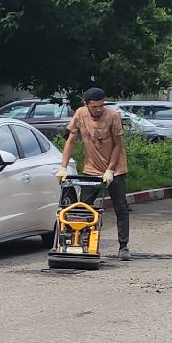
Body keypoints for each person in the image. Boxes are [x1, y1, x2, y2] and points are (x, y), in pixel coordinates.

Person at [59, 87, 132, 261]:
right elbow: (70, 141)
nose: (99, 109)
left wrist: (110, 170)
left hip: (115, 170)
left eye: (101, 105)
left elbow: (118, 145)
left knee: (120, 207)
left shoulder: (113, 116)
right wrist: (63, 166)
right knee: (84, 208)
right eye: (95, 107)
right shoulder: (80, 114)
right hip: (91, 169)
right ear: (86, 105)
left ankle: (123, 247)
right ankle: (79, 243)